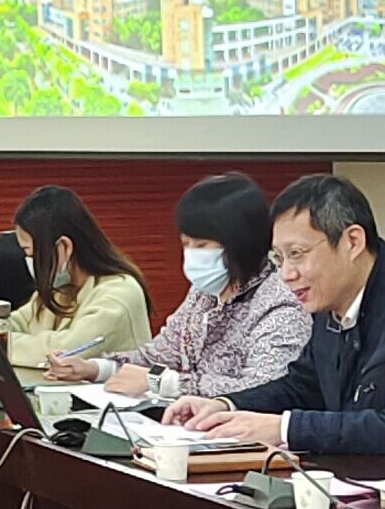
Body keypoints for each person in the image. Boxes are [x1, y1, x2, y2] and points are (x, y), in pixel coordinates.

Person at [160, 173, 385, 474]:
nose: (286, 274)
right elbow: (301, 386)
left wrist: (284, 429)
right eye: (279, 258)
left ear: (353, 242)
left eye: (297, 254)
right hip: (365, 485)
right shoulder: (331, 300)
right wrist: (226, 405)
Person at [51, 168, 315, 401]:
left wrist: (164, 383)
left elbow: (265, 388)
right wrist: (95, 368)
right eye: (186, 244)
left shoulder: (282, 302)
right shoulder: (204, 293)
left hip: (240, 435)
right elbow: (159, 355)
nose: (190, 254)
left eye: (201, 245)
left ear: (239, 243)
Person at [0, 184, 153, 374]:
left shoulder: (120, 293)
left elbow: (64, 350)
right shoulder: (61, 287)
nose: (29, 261)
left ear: (64, 246)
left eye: (30, 252)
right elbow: (18, 321)